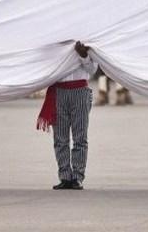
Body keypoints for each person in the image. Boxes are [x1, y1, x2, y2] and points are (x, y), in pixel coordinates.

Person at [36, 41, 97, 190]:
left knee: (80, 137)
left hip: (80, 91)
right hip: (59, 92)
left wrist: (83, 55)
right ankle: (64, 176)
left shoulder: (86, 41)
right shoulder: (55, 43)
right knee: (60, 138)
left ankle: (77, 177)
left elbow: (92, 70)